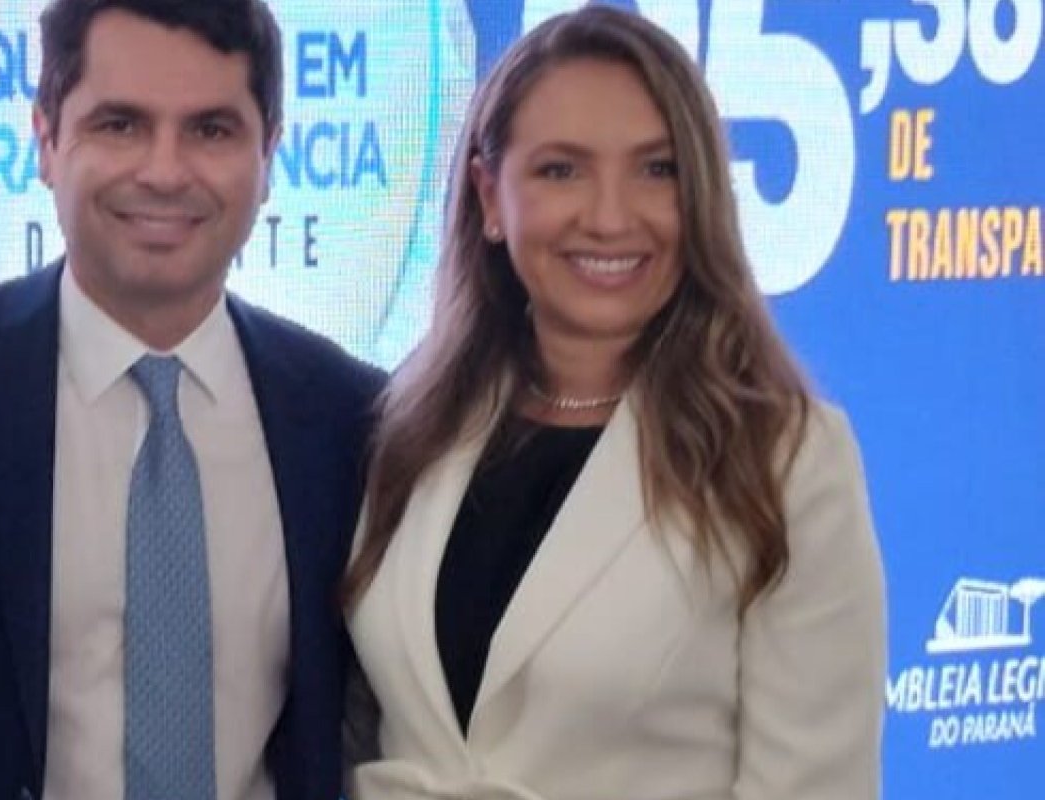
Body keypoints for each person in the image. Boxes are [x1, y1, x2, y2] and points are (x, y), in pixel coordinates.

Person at [340, 7, 886, 799]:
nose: (608, 217)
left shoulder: (786, 460)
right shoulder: (411, 425)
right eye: (560, 170)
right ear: (490, 197)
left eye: (656, 169)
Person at [0, 1, 383, 798]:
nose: (165, 171)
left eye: (211, 130)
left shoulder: (347, 416)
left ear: (269, 154)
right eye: (120, 125)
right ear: (45, 140)